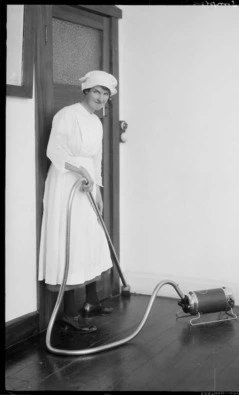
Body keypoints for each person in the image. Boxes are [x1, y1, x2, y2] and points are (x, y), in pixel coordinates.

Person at [38, 70, 118, 333]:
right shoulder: (67, 114)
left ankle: (91, 303)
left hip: (88, 184)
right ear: (86, 91)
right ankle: (69, 313)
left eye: (105, 93)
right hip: (65, 181)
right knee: (71, 240)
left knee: (90, 239)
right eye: (96, 91)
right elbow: (53, 151)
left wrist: (99, 192)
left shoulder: (97, 122)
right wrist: (79, 171)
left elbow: (97, 161)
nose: (101, 97)